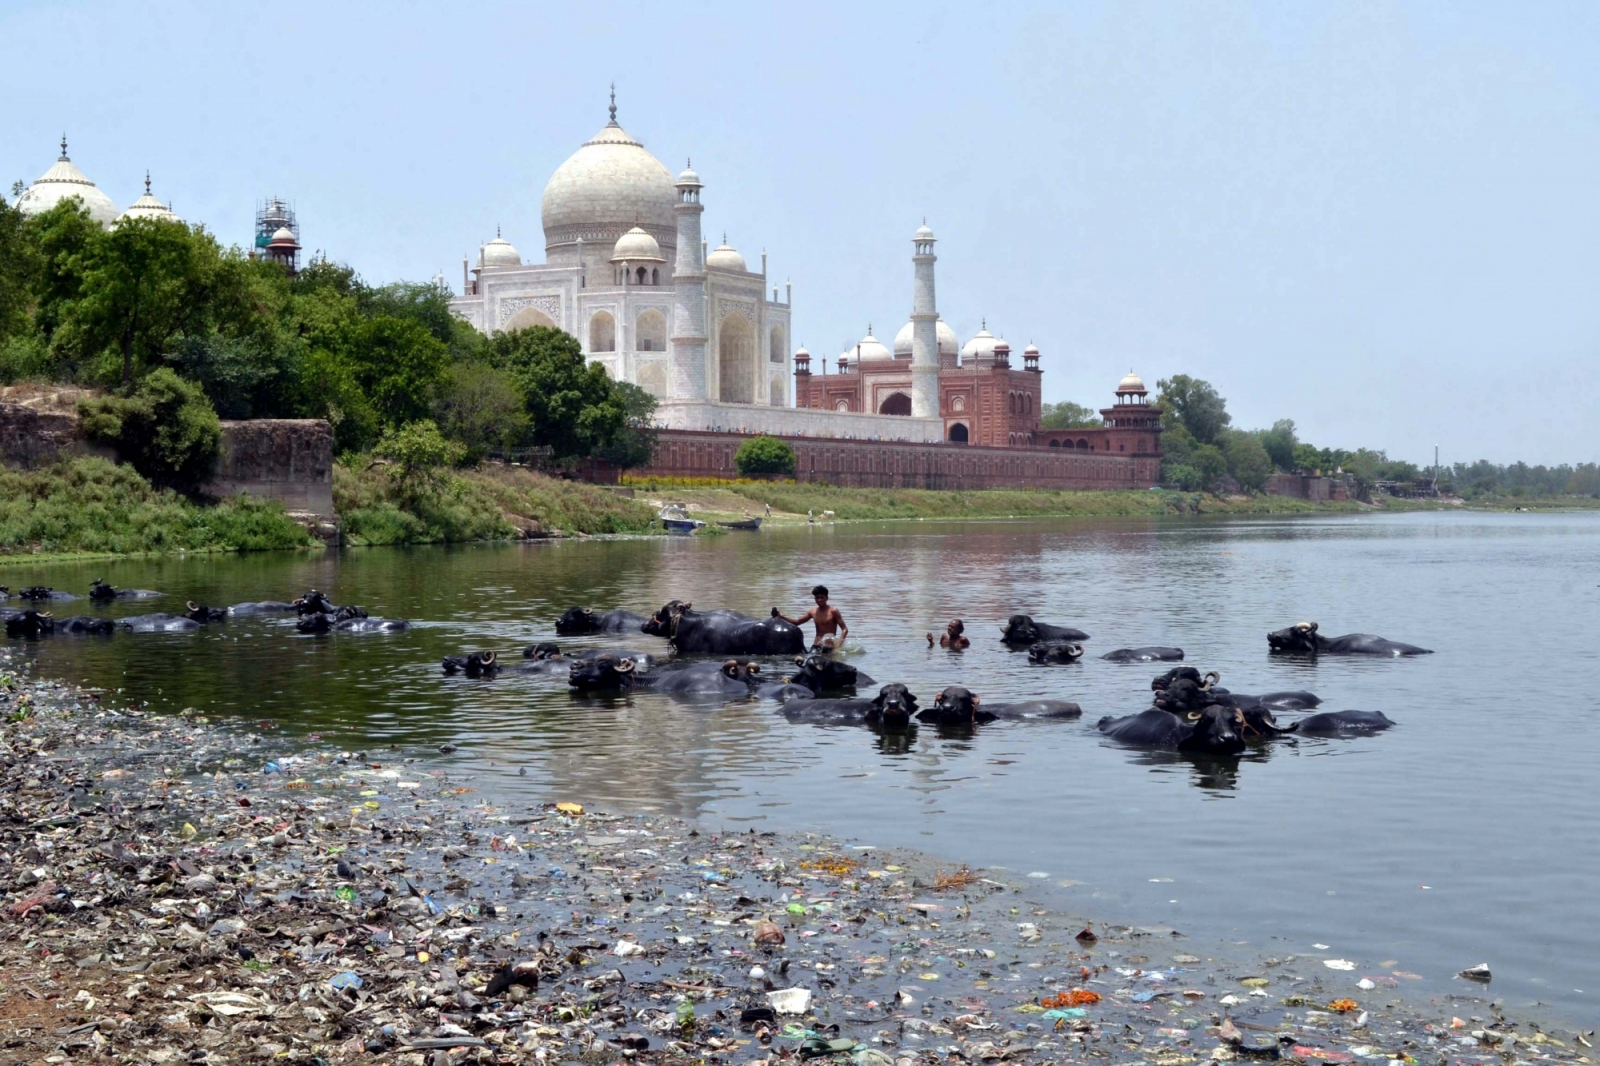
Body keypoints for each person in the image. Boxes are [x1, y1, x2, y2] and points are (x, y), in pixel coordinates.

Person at [773, 585, 848, 651]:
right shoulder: (812, 612)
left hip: (829, 647)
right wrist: (781, 616)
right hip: (816, 646)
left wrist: (838, 645)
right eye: (817, 598)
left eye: (822, 597)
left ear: (827, 598)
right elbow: (797, 622)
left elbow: (844, 629)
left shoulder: (833, 611)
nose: (819, 600)